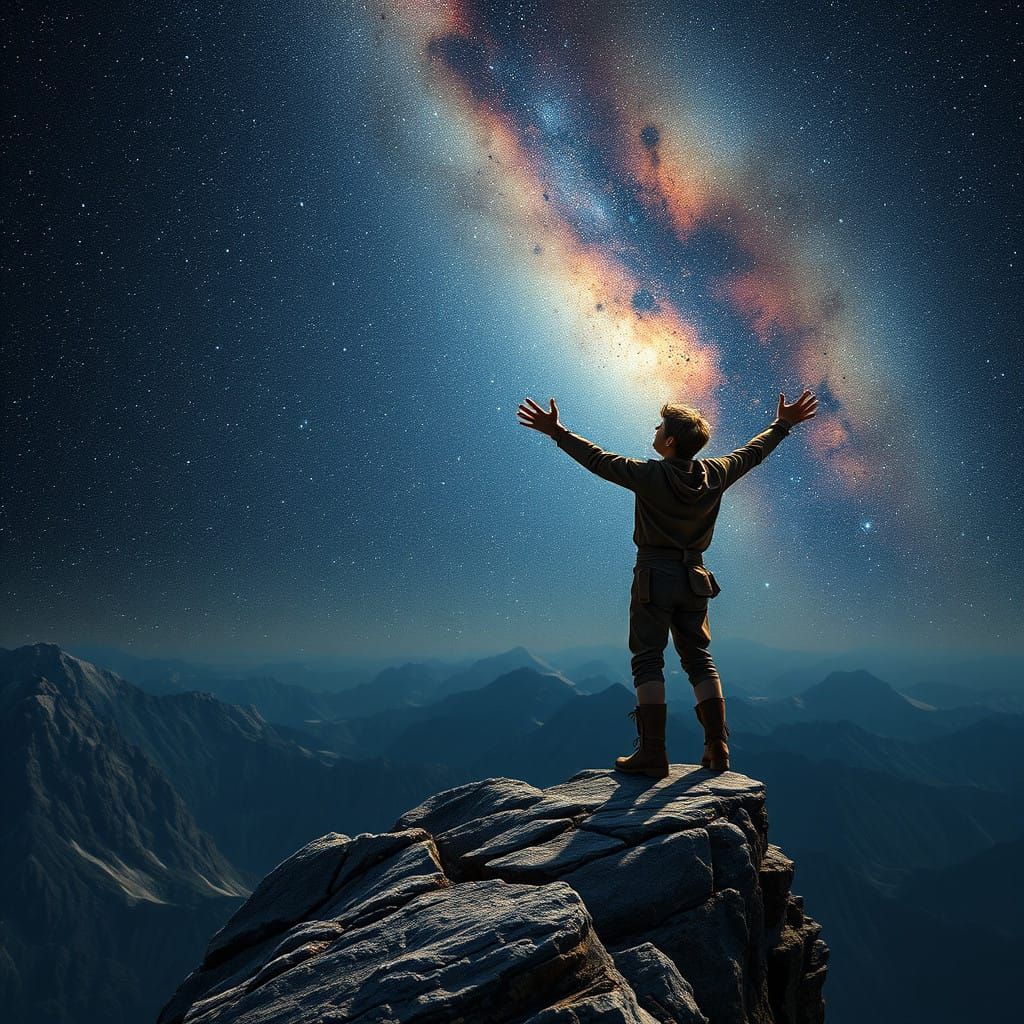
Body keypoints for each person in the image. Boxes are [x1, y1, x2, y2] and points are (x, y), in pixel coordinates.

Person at [516, 389, 818, 778]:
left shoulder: (648, 475)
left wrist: (557, 432)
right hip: (695, 580)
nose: (655, 430)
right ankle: (717, 747)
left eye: (660, 426)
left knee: (647, 658)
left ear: (671, 440)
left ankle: (653, 753)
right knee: (698, 659)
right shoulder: (717, 472)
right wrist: (782, 424)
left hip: (654, 578)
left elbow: (597, 460)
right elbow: (752, 453)